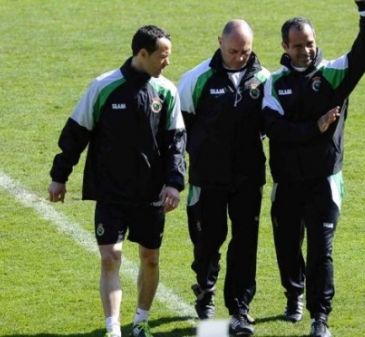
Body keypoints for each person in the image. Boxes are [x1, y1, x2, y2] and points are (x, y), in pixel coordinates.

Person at [47, 25, 186, 337]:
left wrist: (174, 182)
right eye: (163, 56)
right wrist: (59, 177)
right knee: (111, 258)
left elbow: (176, 142)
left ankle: (140, 321)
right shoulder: (103, 86)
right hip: (110, 191)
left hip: (151, 193)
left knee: (149, 259)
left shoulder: (166, 91)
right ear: (142, 54)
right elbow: (75, 134)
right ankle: (113, 329)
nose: (167, 62)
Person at [262, 1, 365, 336]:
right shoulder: (274, 84)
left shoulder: (333, 74)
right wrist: (313, 128)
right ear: (285, 47)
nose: (305, 50)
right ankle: (293, 294)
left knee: (321, 249)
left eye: (310, 42)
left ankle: (320, 318)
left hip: (324, 181)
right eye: (298, 45)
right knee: (286, 244)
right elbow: (275, 129)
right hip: (285, 182)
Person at [177, 19, 270, 336]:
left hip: (248, 180)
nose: (240, 57)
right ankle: (204, 290)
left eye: (245, 51)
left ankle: (240, 310)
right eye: (233, 51)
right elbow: (178, 132)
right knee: (207, 242)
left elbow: (275, 126)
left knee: (245, 245)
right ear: (219, 42)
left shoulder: (263, 79)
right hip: (207, 180)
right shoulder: (195, 79)